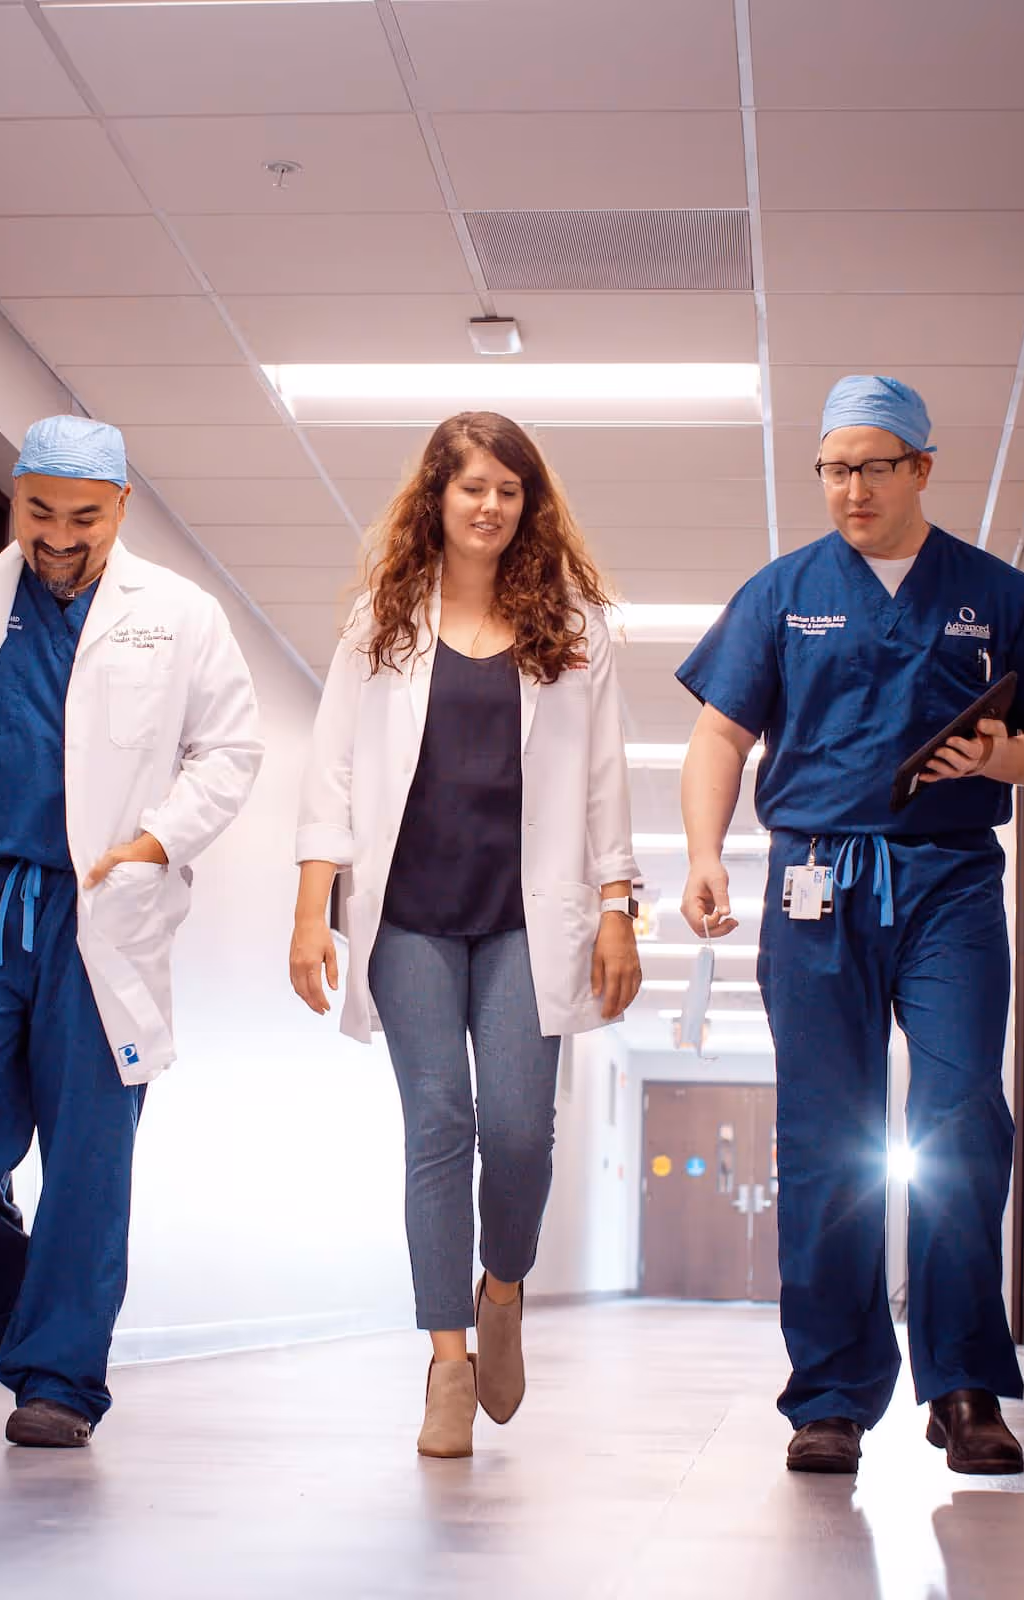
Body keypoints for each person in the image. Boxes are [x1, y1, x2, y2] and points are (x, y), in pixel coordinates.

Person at [675, 376, 1024, 1478]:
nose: (850, 489)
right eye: (832, 468)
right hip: (815, 879)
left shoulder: (995, 594)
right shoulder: (781, 593)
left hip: (950, 879)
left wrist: (1003, 756)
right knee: (824, 1136)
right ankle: (831, 1395)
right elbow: (719, 738)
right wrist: (710, 854)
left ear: (921, 466)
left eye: (872, 465)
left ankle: (963, 1386)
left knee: (961, 1115)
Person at [0, 415, 262, 1449]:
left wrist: (154, 844)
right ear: (16, 497)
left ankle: (58, 1380)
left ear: (121, 507)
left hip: (103, 914)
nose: (59, 534)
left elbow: (229, 748)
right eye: (40, 510)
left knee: (90, 1158)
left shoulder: (179, 614)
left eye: (84, 516)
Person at [290, 412, 641, 1460]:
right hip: (409, 915)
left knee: (523, 1132)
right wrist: (314, 907)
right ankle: (448, 1362)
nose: (489, 505)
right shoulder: (380, 624)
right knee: (439, 1119)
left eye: (508, 489)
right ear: (435, 498)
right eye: (470, 486)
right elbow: (334, 776)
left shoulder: (574, 629)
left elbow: (604, 781)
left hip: (530, 918)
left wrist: (618, 907)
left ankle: (502, 1286)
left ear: (528, 505)